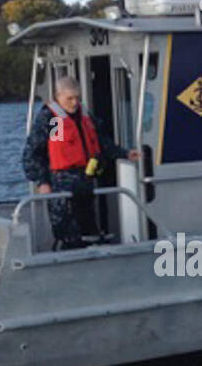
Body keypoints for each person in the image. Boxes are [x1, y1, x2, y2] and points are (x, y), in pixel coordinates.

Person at [22, 77, 140, 249]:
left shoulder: (84, 115)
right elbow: (34, 153)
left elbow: (102, 142)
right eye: (70, 98)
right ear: (58, 96)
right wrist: (42, 181)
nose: (75, 102)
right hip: (62, 183)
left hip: (85, 180)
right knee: (68, 233)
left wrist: (125, 154)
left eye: (77, 97)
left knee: (88, 228)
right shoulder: (54, 120)